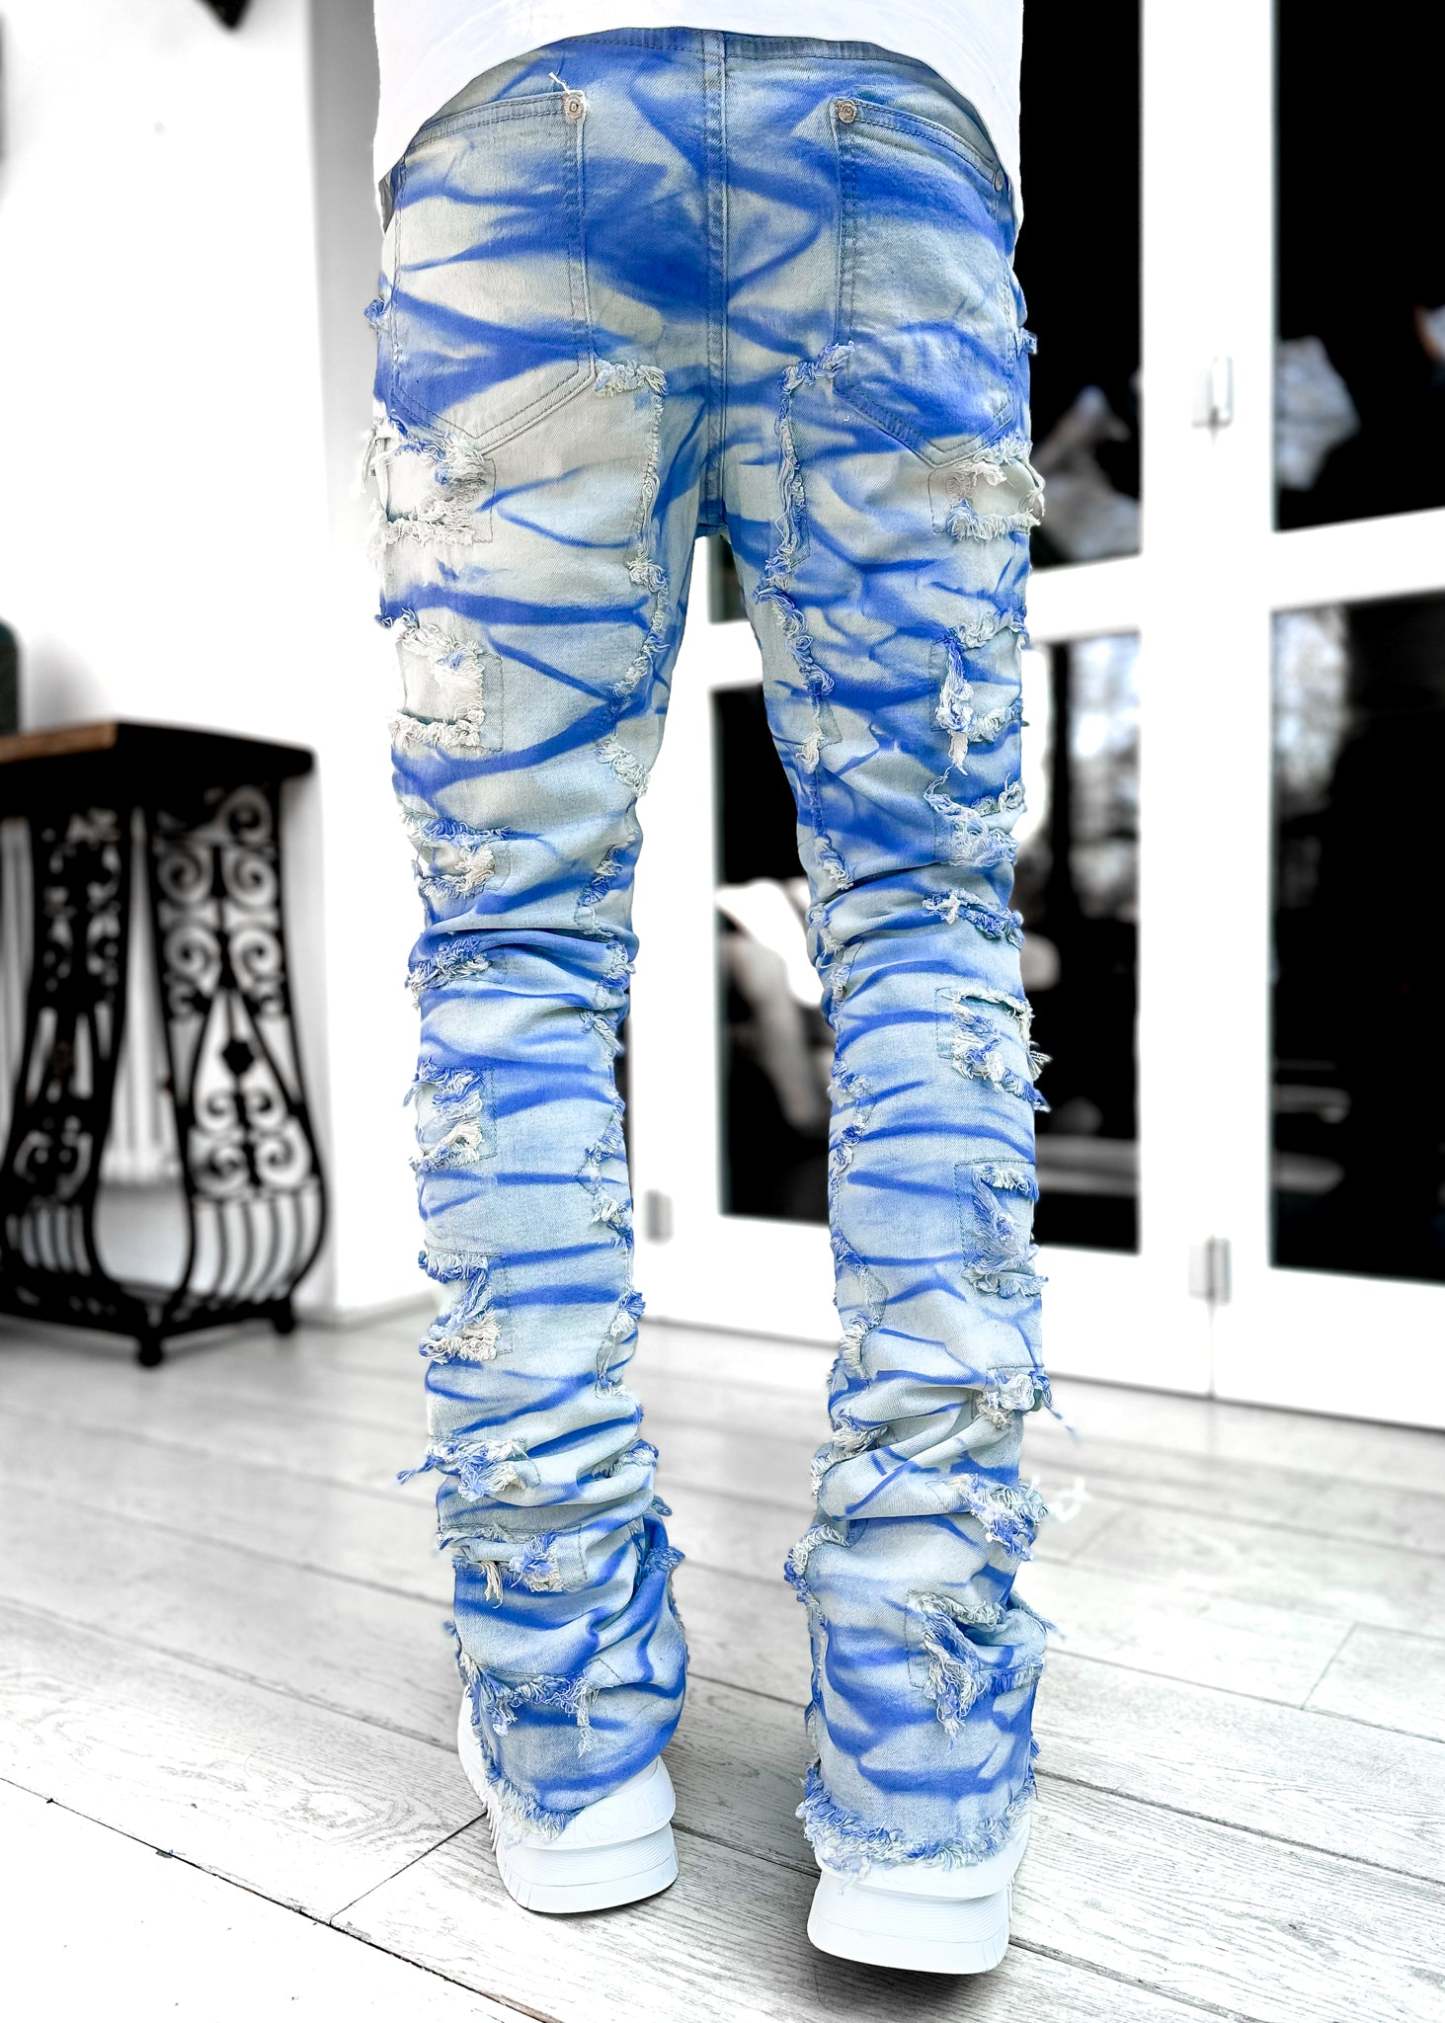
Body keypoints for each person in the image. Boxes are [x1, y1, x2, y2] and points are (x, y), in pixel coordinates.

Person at [363, 1, 1051, 1977]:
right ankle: (926, 1764)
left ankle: (566, 1734)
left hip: (512, 137)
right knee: (923, 923)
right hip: (893, 134)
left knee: (513, 953)